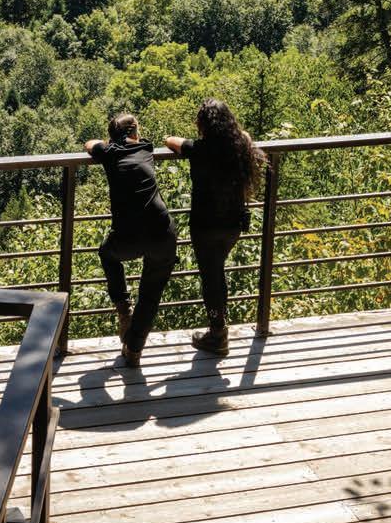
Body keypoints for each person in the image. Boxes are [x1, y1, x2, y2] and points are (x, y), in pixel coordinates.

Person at [164, 99, 264, 357]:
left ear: (203, 125)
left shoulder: (199, 149)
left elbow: (170, 141)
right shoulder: (239, 146)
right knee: (216, 272)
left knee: (210, 278)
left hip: (205, 225)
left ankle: (218, 334)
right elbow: (245, 136)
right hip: (232, 224)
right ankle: (218, 329)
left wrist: (184, 138)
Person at [85, 113, 177, 367]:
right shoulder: (146, 148)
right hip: (162, 231)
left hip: (128, 236)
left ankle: (123, 306)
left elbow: (89, 144)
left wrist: (106, 144)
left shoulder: (109, 153)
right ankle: (134, 350)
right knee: (150, 295)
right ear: (135, 132)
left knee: (107, 253)